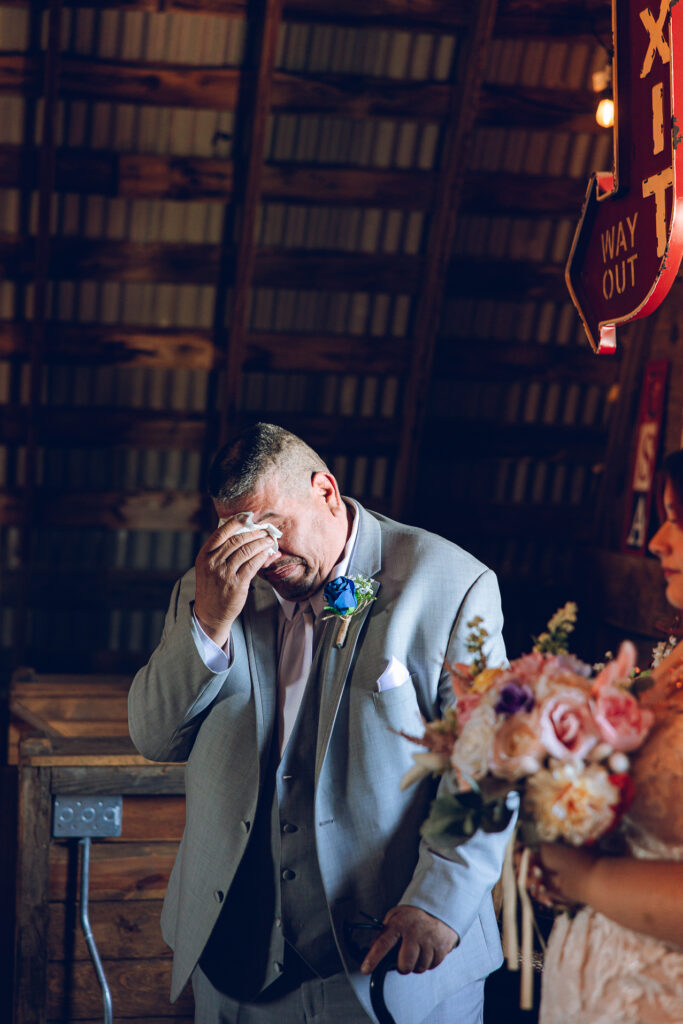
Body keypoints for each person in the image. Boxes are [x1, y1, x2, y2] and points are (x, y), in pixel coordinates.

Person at [128, 422, 515, 1024]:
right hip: (234, 957)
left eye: (272, 527)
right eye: (239, 532)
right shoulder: (210, 588)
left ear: (326, 492)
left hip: (390, 958)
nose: (262, 555)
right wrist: (209, 621)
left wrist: (440, 903)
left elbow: (491, 762)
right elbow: (153, 736)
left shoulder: (453, 585)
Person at [536, 448, 683, 1024]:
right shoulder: (673, 658)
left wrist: (590, 877)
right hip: (594, 983)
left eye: (680, 520)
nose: (659, 541)